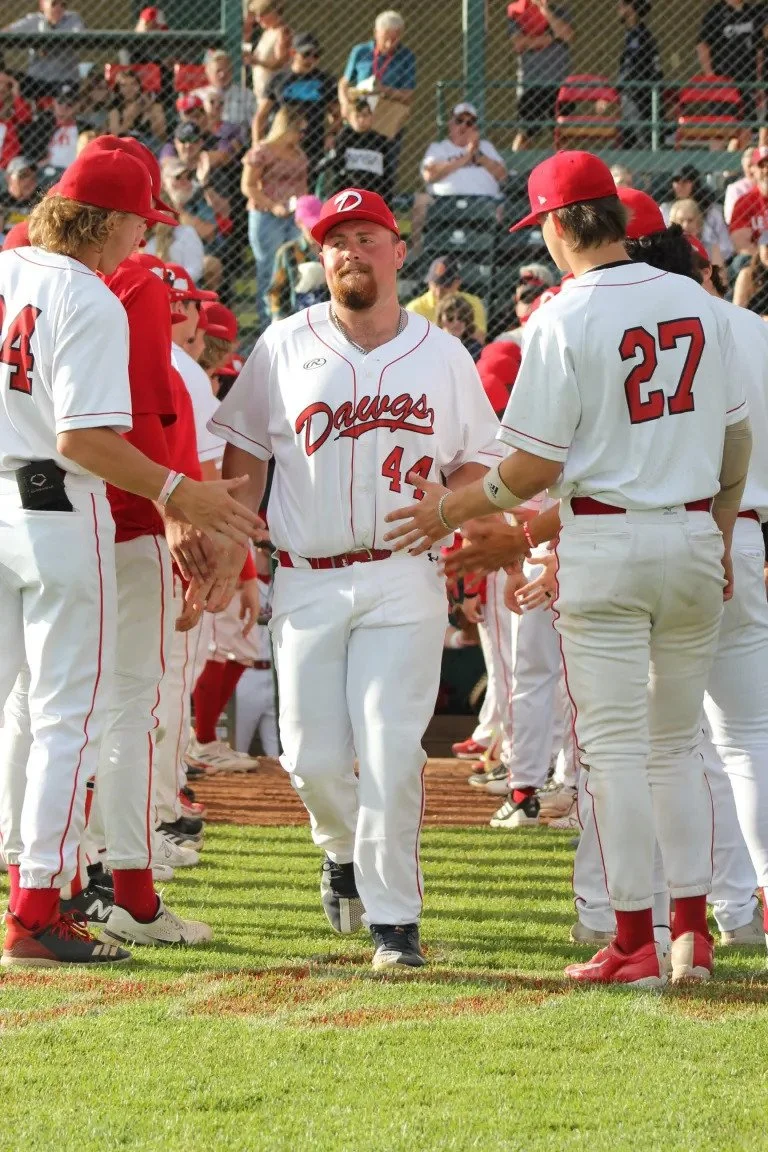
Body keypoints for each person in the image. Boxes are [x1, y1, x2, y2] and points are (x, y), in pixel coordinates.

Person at [384, 151, 751, 987]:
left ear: (555, 226)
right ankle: (690, 935)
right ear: (616, 221)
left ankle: (634, 940)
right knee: (678, 745)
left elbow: (529, 471)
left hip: (609, 541)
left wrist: (451, 509)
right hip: (694, 531)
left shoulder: (559, 316)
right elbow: (736, 439)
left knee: (615, 751)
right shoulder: (694, 298)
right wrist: (720, 531)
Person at [209, 187, 501, 971]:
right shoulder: (284, 343)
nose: (350, 251)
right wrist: (228, 544)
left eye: (367, 236)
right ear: (321, 256)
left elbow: (477, 455)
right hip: (305, 578)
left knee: (391, 746)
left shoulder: (442, 353)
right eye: (336, 240)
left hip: (404, 574)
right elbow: (243, 452)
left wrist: (455, 503)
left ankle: (394, 923)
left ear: (398, 252)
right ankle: (339, 849)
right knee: (309, 755)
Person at [0, 146, 256, 966]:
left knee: (17, 710)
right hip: (54, 509)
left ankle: (30, 878)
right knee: (67, 715)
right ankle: (39, 908)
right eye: (138, 227)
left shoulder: (8, 270)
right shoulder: (90, 294)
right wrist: (179, 492)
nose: (140, 245)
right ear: (107, 222)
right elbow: (84, 438)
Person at [241, 106, 308, 330]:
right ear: (285, 128)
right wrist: (273, 205)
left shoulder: (298, 152)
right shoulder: (262, 151)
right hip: (266, 216)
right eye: (298, 130)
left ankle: (292, 319)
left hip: (293, 217)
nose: (301, 135)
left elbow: (303, 185)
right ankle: (266, 324)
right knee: (269, 268)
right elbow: (248, 186)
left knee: (296, 265)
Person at [410, 102, 507, 255]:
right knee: (420, 201)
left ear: (475, 127)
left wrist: (477, 156)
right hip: (443, 201)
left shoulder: (486, 147)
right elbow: (430, 174)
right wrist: (466, 156)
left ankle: (499, 259)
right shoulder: (439, 148)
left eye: (469, 123)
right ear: (450, 124)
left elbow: (502, 175)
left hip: (485, 201)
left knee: (505, 205)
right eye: (459, 121)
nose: (464, 126)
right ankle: (418, 256)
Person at [338, 11, 417, 198]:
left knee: (385, 169)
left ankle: (382, 210)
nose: (390, 44)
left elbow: (408, 95)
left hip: (385, 121)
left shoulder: (407, 56)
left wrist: (383, 90)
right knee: (350, 166)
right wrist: (343, 104)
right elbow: (344, 83)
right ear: (375, 33)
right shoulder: (360, 51)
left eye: (395, 39)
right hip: (359, 118)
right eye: (385, 38)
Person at [253, 31, 338, 185]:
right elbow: (261, 115)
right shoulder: (278, 79)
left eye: (316, 55)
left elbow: (337, 114)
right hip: (281, 143)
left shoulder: (325, 80)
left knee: (309, 187)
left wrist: (331, 135)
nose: (311, 59)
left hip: (313, 143)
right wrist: (257, 146)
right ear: (293, 53)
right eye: (306, 54)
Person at [507, 0, 574, 151]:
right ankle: (516, 171)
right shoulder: (517, 10)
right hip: (531, 83)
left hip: (559, 83)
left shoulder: (560, 8)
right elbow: (519, 43)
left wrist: (546, 12)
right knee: (525, 133)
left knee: (562, 135)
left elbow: (567, 35)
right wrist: (550, 38)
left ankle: (566, 171)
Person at [696, 0, 768, 130]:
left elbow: (759, 49)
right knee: (721, 124)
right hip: (724, 77)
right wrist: (710, 75)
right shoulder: (715, 13)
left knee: (747, 123)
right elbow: (702, 45)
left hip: (747, 77)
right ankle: (718, 151)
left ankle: (743, 149)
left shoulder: (751, 12)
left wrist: (758, 79)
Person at [4, 0, 84, 99]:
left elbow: (76, 37)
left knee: (64, 101)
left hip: (64, 79)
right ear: (42, 5)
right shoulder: (34, 20)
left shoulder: (73, 19)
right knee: (6, 76)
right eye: (54, 4)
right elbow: (5, 33)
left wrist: (45, 42)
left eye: (63, 5)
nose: (59, 8)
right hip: (35, 79)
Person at [267, 194, 327, 320]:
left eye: (318, 225)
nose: (314, 231)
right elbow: (275, 291)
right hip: (296, 316)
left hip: (326, 315)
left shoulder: (330, 249)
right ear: (299, 223)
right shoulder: (287, 252)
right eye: (310, 226)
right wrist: (278, 318)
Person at [318, 97, 389, 198]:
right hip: (347, 191)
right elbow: (335, 164)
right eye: (357, 116)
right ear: (350, 118)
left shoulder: (380, 141)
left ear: (371, 117)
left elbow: (386, 173)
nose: (361, 120)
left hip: (373, 191)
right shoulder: (343, 138)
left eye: (365, 115)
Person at [405, 256, 487, 342]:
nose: (438, 292)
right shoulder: (415, 308)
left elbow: (480, 339)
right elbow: (410, 342)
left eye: (445, 286)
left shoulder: (472, 303)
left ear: (457, 283)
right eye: (435, 285)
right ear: (428, 282)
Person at [661, 165, 732, 262]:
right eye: (676, 181)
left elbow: (726, 246)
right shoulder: (664, 209)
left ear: (695, 183)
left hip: (710, 260)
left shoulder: (711, 211)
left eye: (685, 181)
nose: (680, 185)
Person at [617, 0, 661, 148]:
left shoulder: (638, 36)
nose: (619, 8)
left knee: (641, 142)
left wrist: (616, 89)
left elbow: (631, 70)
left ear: (632, 8)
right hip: (637, 97)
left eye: (623, 5)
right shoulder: (634, 34)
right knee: (631, 141)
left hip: (637, 97)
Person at [244, 0, 293, 101]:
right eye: (257, 15)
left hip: (274, 93)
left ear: (274, 12)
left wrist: (257, 62)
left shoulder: (282, 32)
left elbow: (281, 64)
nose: (258, 19)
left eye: (262, 15)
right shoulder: (267, 32)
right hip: (260, 91)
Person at [194, 50, 256, 130]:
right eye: (218, 71)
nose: (222, 74)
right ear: (208, 73)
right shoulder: (197, 96)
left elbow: (255, 124)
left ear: (232, 70)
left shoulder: (247, 95)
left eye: (226, 69)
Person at [106, 68, 166, 144]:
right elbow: (115, 137)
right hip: (126, 147)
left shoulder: (153, 105)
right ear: (118, 88)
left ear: (139, 85)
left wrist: (150, 111)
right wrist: (132, 115)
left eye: (133, 84)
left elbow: (162, 136)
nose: (129, 88)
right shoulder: (115, 110)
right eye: (124, 85)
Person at [729, 146, 768, 254]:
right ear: (753, 169)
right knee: (742, 262)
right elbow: (740, 243)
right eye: (762, 165)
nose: (766, 170)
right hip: (755, 259)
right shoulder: (744, 202)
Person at [668, 197, 724, 270]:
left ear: (698, 223)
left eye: (690, 220)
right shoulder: (668, 249)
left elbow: (720, 278)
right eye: (681, 221)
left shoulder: (712, 249)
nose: (685, 226)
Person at [435, 293, 483, 362]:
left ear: (468, 321)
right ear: (440, 320)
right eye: (450, 318)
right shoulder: (431, 346)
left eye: (461, 318)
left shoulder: (475, 348)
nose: (456, 322)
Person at [0, 156, 39, 229]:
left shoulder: (41, 201)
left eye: (33, 176)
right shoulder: (2, 201)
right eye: (23, 175)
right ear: (9, 178)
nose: (29, 180)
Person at [733, 234, 768, 314]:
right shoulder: (747, 275)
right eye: (767, 247)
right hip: (754, 324)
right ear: (759, 249)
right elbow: (737, 313)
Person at [724, 145, 756, 224]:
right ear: (743, 167)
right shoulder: (735, 189)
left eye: (755, 165)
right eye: (749, 166)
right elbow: (731, 218)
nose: (752, 169)